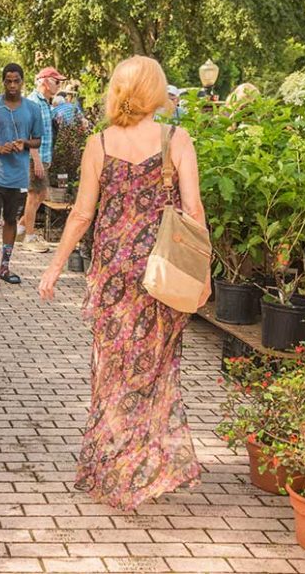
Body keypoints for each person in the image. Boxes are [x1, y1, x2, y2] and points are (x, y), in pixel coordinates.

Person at [38, 55, 207, 511]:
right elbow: (193, 211)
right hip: (162, 276)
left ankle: (112, 464)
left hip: (112, 274)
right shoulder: (177, 139)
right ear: (155, 91)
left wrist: (54, 267)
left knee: (111, 369)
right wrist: (203, 274)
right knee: (154, 368)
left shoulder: (100, 142)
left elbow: (81, 214)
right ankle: (143, 466)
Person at [0, 63, 42, 287]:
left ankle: (5, 267)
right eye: (8, 81)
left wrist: (24, 144)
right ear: (3, 81)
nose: (12, 85)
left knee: (10, 220)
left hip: (17, 177)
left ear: (23, 82)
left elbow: (38, 140)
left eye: (16, 81)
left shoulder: (32, 109)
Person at [18, 67, 65, 253]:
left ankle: (21, 228)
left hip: (43, 157)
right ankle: (29, 237)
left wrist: (46, 159)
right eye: (57, 81)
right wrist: (37, 160)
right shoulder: (32, 102)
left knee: (42, 194)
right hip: (33, 158)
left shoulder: (45, 102)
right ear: (45, 81)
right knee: (33, 195)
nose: (59, 85)